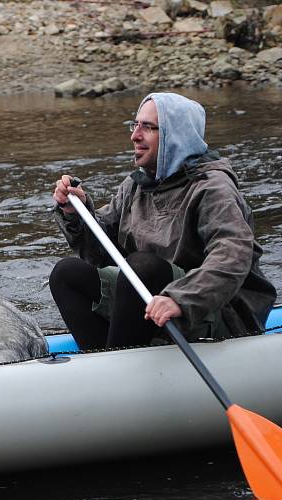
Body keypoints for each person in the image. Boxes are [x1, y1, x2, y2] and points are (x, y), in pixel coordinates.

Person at [49, 92, 276, 351]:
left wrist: (181, 299)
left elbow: (233, 256)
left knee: (143, 267)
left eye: (148, 127)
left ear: (176, 135)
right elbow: (101, 251)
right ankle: (104, 359)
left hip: (215, 311)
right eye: (135, 125)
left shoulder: (213, 189)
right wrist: (75, 213)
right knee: (67, 273)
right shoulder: (136, 185)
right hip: (151, 305)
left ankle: (118, 366)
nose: (135, 135)